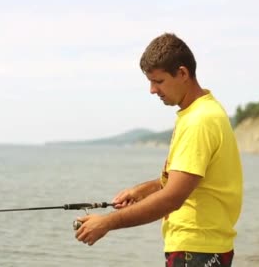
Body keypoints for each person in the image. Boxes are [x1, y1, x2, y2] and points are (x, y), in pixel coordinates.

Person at [75, 33, 243, 267]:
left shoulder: (199, 121)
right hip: (202, 248)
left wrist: (106, 223)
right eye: (150, 81)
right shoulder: (201, 111)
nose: (152, 90)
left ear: (183, 74)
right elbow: (187, 179)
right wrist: (143, 190)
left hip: (196, 251)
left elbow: (172, 198)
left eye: (159, 81)